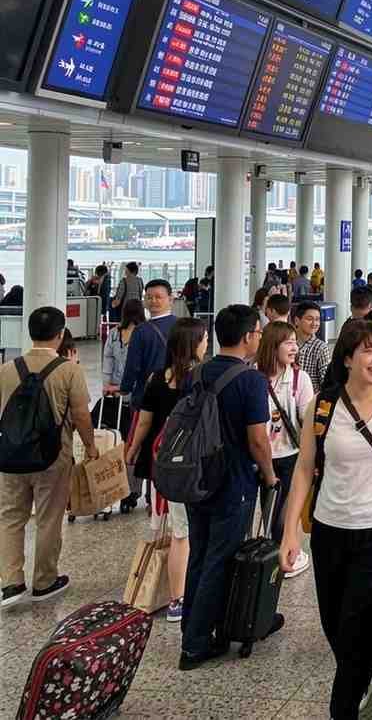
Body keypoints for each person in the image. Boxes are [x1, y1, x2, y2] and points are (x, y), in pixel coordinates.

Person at [279, 320, 372, 719]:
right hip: (329, 529)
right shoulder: (322, 406)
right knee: (335, 622)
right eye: (368, 351)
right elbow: (304, 469)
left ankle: (343, 705)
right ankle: (360, 671)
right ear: (347, 358)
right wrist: (290, 532)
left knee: (356, 622)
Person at [179, 305, 280, 670]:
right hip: (233, 482)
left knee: (199, 555)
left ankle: (193, 627)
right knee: (220, 559)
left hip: (197, 479)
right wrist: (270, 475)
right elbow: (258, 440)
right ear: (249, 336)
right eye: (258, 332)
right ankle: (196, 643)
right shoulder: (251, 380)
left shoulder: (197, 373)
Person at [0, 307, 98, 609]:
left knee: (10, 517)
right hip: (53, 458)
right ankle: (44, 581)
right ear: (60, 334)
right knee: (48, 518)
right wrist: (91, 447)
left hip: (10, 456)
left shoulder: (7, 369)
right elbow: (81, 415)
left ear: (29, 333)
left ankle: (11, 582)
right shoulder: (69, 370)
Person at [125, 317, 208, 623]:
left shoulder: (158, 378)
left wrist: (133, 449)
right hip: (194, 465)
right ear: (194, 344)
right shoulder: (201, 378)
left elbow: (144, 421)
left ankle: (178, 596)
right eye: (204, 339)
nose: (207, 343)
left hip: (164, 464)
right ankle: (181, 597)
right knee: (185, 533)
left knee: (177, 529)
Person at [256, 322, 315, 579]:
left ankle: (288, 553)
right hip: (261, 456)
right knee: (268, 508)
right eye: (288, 342)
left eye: (294, 342)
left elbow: (307, 421)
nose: (294, 348)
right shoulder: (254, 376)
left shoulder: (300, 379)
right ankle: (274, 552)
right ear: (272, 346)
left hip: (290, 455)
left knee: (286, 511)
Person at [120, 279, 178, 512]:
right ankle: (156, 493)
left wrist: (124, 387)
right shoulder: (182, 327)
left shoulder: (142, 331)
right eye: (149, 297)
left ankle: (131, 492)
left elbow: (133, 367)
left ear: (170, 299)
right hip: (174, 398)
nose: (153, 301)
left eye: (158, 297)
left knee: (138, 441)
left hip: (145, 398)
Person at [102, 299, 144, 397]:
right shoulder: (145, 333)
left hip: (116, 387)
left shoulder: (114, 333)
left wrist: (106, 385)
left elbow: (108, 361)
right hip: (133, 388)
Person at [294, 302, 331, 392]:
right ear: (297, 320)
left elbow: (326, 383)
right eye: (309, 319)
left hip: (311, 398)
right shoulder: (287, 343)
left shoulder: (321, 348)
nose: (314, 323)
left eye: (317, 319)